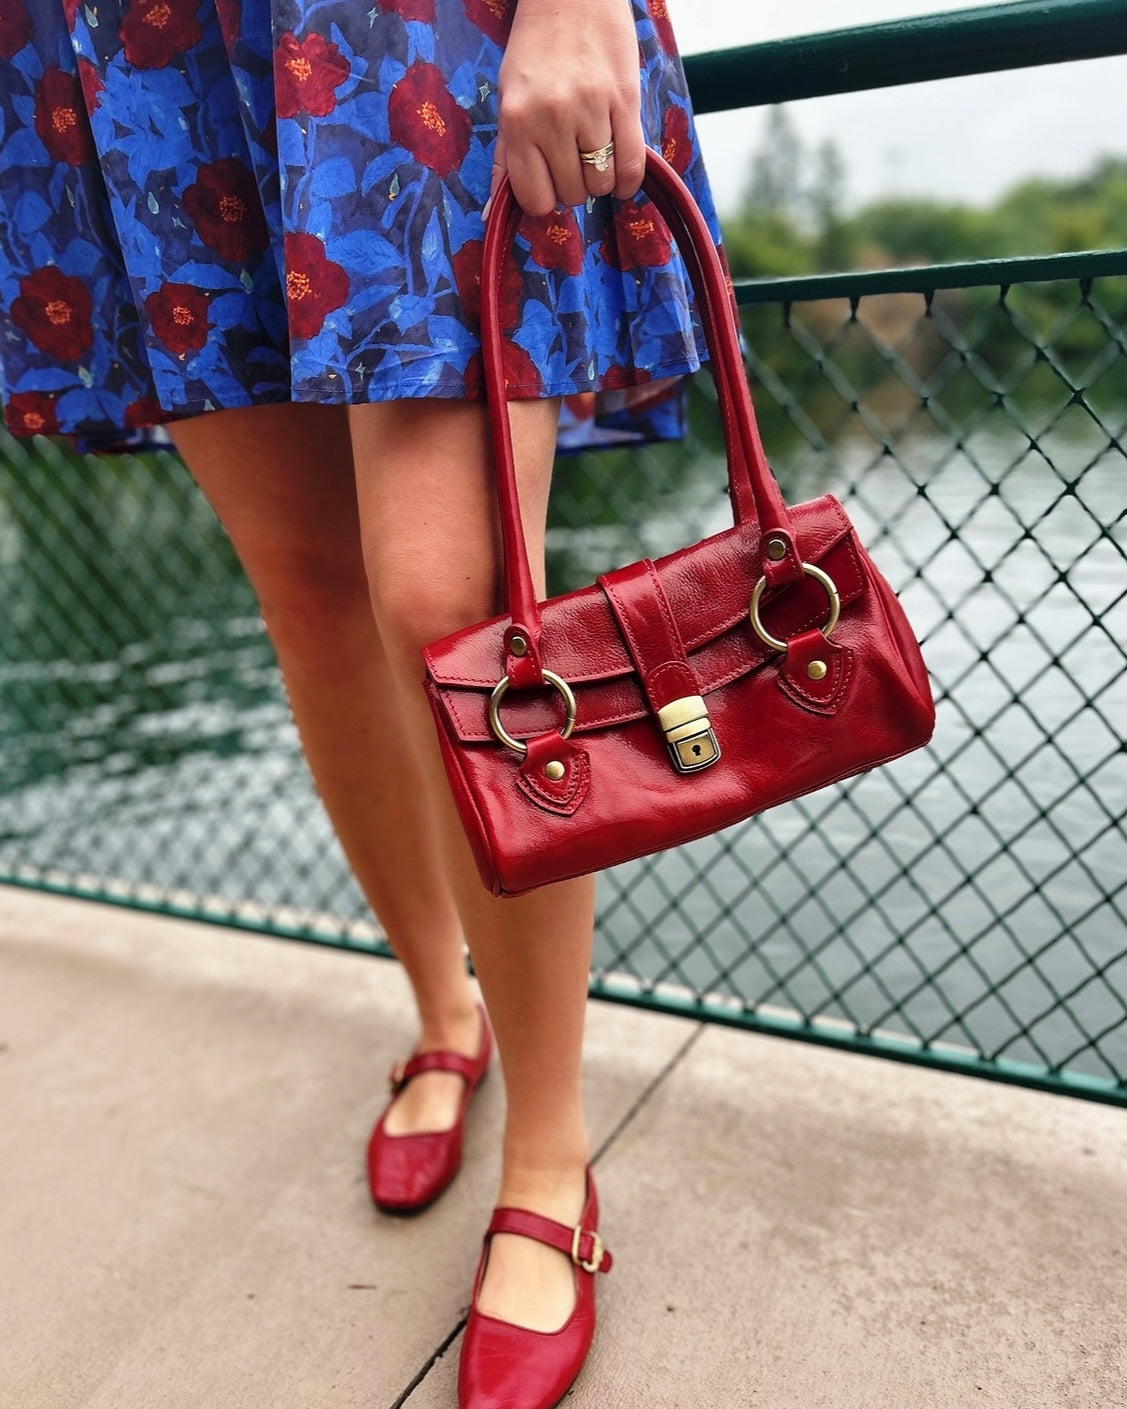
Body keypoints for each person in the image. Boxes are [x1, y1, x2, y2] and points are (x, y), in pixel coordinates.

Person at [0, 0, 727, 1403]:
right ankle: (441, 1015)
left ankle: (551, 1155)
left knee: (451, 597)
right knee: (311, 596)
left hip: (395, 28)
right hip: (133, 50)